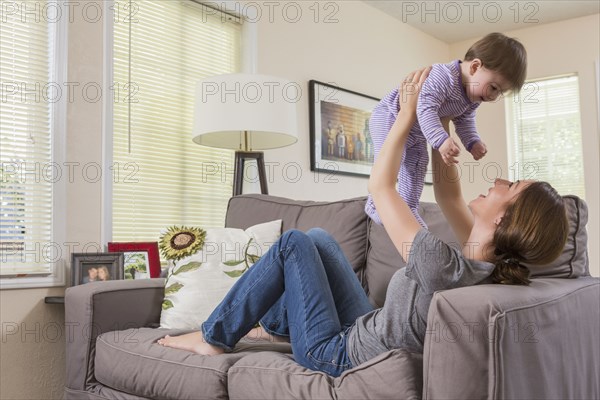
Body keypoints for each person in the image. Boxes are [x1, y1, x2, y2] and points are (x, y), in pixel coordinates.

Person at [157, 68, 568, 378]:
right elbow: (448, 196)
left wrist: (406, 117)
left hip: (338, 353)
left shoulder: (440, 265)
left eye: (509, 185)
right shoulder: (483, 263)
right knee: (319, 239)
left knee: (294, 244)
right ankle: (277, 324)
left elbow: (382, 187)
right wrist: (439, 124)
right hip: (365, 326)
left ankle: (213, 338)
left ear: (503, 218)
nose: (498, 179)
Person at [365, 32, 527, 227]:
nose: (494, 96)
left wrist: (472, 142)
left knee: (418, 163)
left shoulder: (472, 98)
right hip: (390, 116)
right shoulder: (444, 76)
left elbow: (465, 121)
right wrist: (441, 140)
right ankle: (375, 203)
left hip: (416, 132)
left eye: (500, 93)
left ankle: (409, 206)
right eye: (493, 88)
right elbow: (425, 107)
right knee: (391, 159)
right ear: (475, 67)